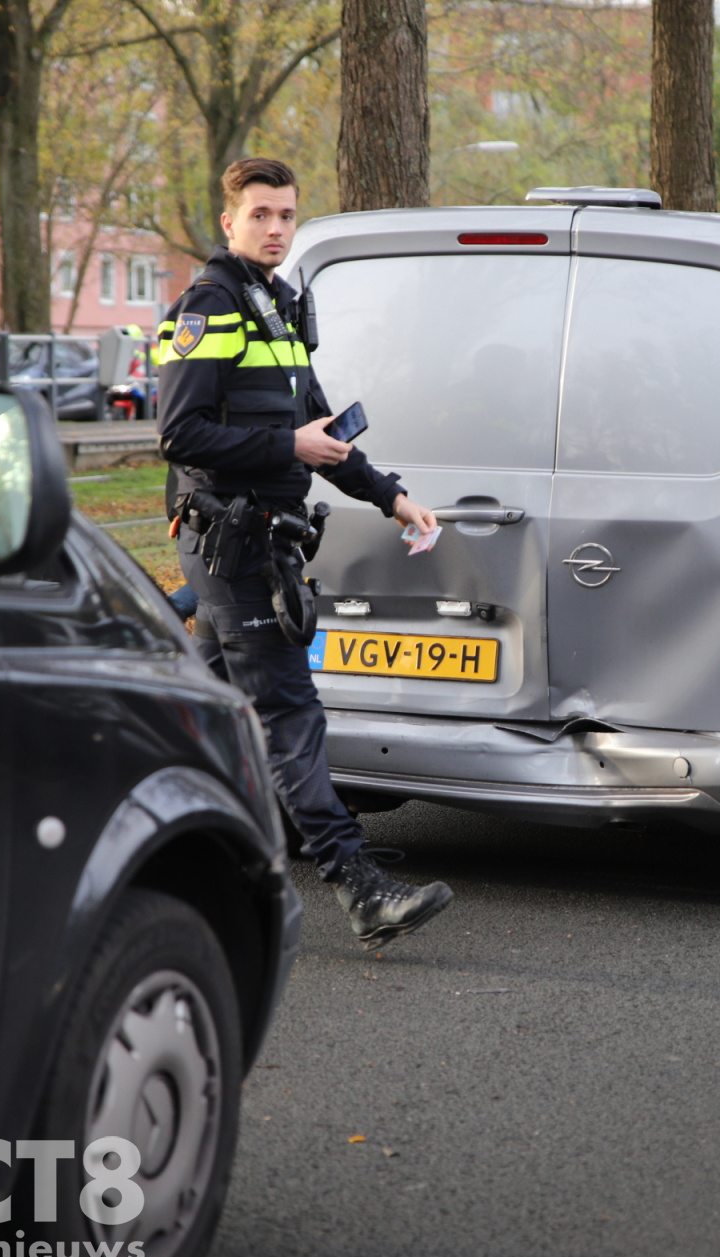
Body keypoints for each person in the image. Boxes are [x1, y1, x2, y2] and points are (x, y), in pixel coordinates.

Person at [157, 157, 454, 949]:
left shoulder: (279, 304)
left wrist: (390, 495)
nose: (276, 228)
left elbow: (323, 436)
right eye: (260, 214)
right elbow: (178, 434)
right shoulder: (211, 302)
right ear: (229, 221)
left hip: (257, 541)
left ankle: (167, 863)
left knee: (202, 719)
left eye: (286, 214)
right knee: (289, 711)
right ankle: (356, 884)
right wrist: (284, 444)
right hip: (234, 543)